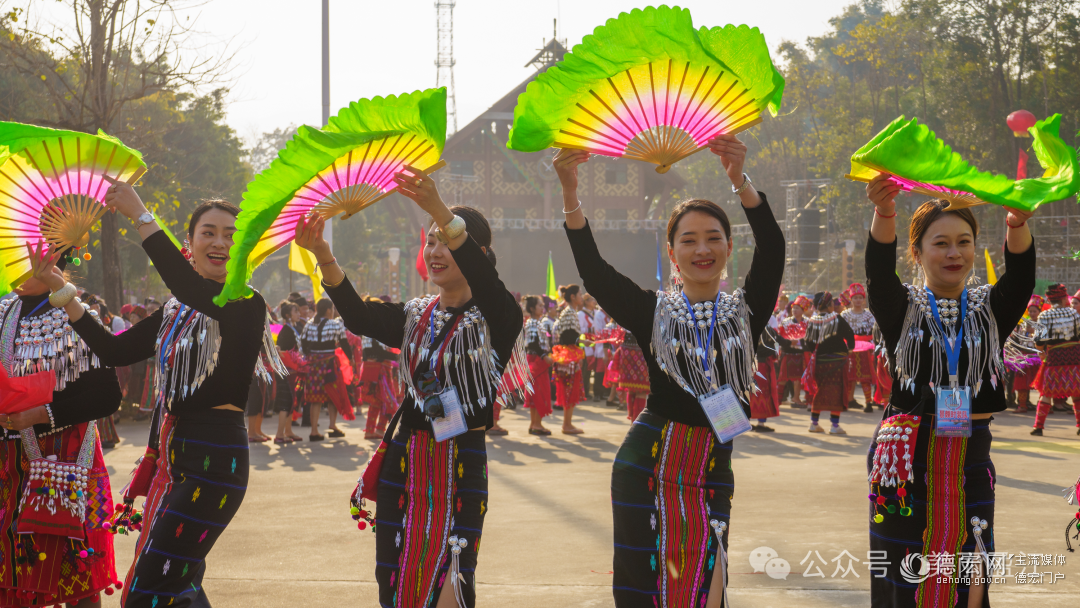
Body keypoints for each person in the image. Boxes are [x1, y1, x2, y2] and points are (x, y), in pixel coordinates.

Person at [558, 132, 784, 608]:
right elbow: (595, 272)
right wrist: (570, 191)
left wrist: (740, 181)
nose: (702, 249)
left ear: (727, 246)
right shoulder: (651, 312)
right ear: (672, 252)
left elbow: (773, 247)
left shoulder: (748, 310)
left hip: (712, 466)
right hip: (647, 463)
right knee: (648, 590)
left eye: (713, 238)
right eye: (689, 240)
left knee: (708, 583)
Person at [42, 187, 285, 608]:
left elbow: (190, 288)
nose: (220, 242)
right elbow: (116, 350)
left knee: (146, 592)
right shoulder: (176, 309)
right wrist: (60, 289)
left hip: (215, 461)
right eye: (208, 232)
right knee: (180, 586)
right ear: (189, 243)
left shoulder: (245, 302)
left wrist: (139, 213)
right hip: (173, 458)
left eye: (231, 234)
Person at [294, 164, 523, 608]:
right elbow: (359, 317)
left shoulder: (499, 316)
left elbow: (486, 281)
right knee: (396, 580)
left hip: (460, 463)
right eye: (430, 241)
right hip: (407, 460)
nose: (435, 251)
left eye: (445, 241)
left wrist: (437, 207)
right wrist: (323, 253)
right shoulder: (414, 313)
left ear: (475, 252)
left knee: (452, 580)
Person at [864, 172, 1035, 607]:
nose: (954, 252)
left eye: (964, 241)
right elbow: (878, 269)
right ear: (917, 252)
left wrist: (1017, 223)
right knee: (907, 580)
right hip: (906, 467)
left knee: (971, 576)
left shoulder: (991, 312)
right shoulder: (899, 308)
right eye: (940, 243)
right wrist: (885, 212)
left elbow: (1021, 278)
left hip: (970, 463)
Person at [1, 250, 123, 608]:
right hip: (8, 463)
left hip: (66, 460)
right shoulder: (3, 311)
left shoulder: (77, 315)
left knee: (77, 571)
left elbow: (107, 397)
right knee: (11, 567)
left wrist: (41, 414)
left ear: (55, 259)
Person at [299, 299, 353, 441]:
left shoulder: (309, 324)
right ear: (328, 310)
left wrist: (308, 357)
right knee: (333, 394)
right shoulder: (335, 324)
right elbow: (344, 342)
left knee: (315, 398)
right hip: (329, 363)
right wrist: (351, 359)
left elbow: (303, 344)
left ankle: (314, 431)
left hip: (313, 365)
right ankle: (332, 425)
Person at [803, 291, 855, 434]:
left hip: (819, 361)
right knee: (837, 392)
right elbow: (849, 334)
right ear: (829, 304)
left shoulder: (812, 321)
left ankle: (814, 423)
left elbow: (807, 342)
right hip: (838, 361)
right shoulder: (836, 318)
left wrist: (816, 351)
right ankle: (835, 426)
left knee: (820, 391)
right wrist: (850, 350)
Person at [1031, 283, 1080, 436]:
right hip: (1074, 358)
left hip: (1053, 360)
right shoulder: (1074, 314)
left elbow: (1039, 343)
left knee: (1047, 393)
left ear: (1049, 299)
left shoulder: (1044, 316)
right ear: (1065, 297)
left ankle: (1038, 427)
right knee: (1077, 393)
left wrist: (1041, 351)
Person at [355, 298, 400, 440]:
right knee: (388, 402)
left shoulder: (371, 328)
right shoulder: (373, 329)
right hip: (378, 369)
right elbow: (374, 352)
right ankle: (378, 430)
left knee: (378, 401)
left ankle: (374, 430)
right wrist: (397, 357)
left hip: (375, 368)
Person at [553, 286, 586, 433]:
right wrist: (581, 340)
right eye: (580, 294)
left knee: (570, 387)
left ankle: (568, 423)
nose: (582, 296)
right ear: (573, 296)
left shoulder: (570, 312)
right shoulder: (569, 312)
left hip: (569, 354)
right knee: (570, 388)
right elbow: (567, 337)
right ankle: (566, 424)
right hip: (569, 356)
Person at [840, 283, 877, 412]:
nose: (858, 300)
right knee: (849, 377)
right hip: (849, 348)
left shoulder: (869, 315)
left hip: (865, 348)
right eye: (855, 298)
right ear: (851, 299)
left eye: (860, 297)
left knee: (865, 377)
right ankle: (847, 401)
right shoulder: (844, 315)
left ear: (863, 299)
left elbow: (874, 332)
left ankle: (868, 403)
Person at [273, 301, 305, 444]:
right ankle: (280, 434)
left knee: (291, 401)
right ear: (288, 315)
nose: (299, 314)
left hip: (291, 371)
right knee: (285, 401)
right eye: (296, 312)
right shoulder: (286, 331)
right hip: (286, 371)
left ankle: (288, 431)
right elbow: (284, 352)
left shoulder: (292, 328)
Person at [523, 295, 554, 435]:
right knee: (539, 392)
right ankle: (537, 424)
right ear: (532, 308)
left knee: (536, 392)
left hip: (536, 359)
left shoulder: (535, 322)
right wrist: (544, 356)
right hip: (536, 360)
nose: (543, 308)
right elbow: (533, 344)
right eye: (540, 305)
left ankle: (535, 424)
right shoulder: (532, 323)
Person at [778, 295, 811, 406]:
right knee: (783, 378)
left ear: (803, 310)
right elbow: (781, 338)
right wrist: (790, 343)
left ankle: (796, 399)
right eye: (793, 308)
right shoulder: (786, 322)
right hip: (788, 353)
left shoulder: (808, 323)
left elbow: (810, 339)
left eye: (797, 308)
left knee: (798, 379)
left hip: (801, 355)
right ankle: (777, 399)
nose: (794, 310)